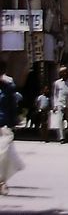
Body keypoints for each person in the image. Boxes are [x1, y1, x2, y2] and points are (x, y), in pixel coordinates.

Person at [0, 60, 24, 195]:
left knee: (3, 154)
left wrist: (14, 122)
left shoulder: (8, 88)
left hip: (4, 126)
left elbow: (12, 107)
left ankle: (2, 182)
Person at [53, 66, 68, 143]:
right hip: (60, 103)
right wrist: (55, 104)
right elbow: (55, 94)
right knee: (60, 121)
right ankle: (62, 137)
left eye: (65, 72)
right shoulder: (57, 83)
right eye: (62, 72)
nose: (64, 73)